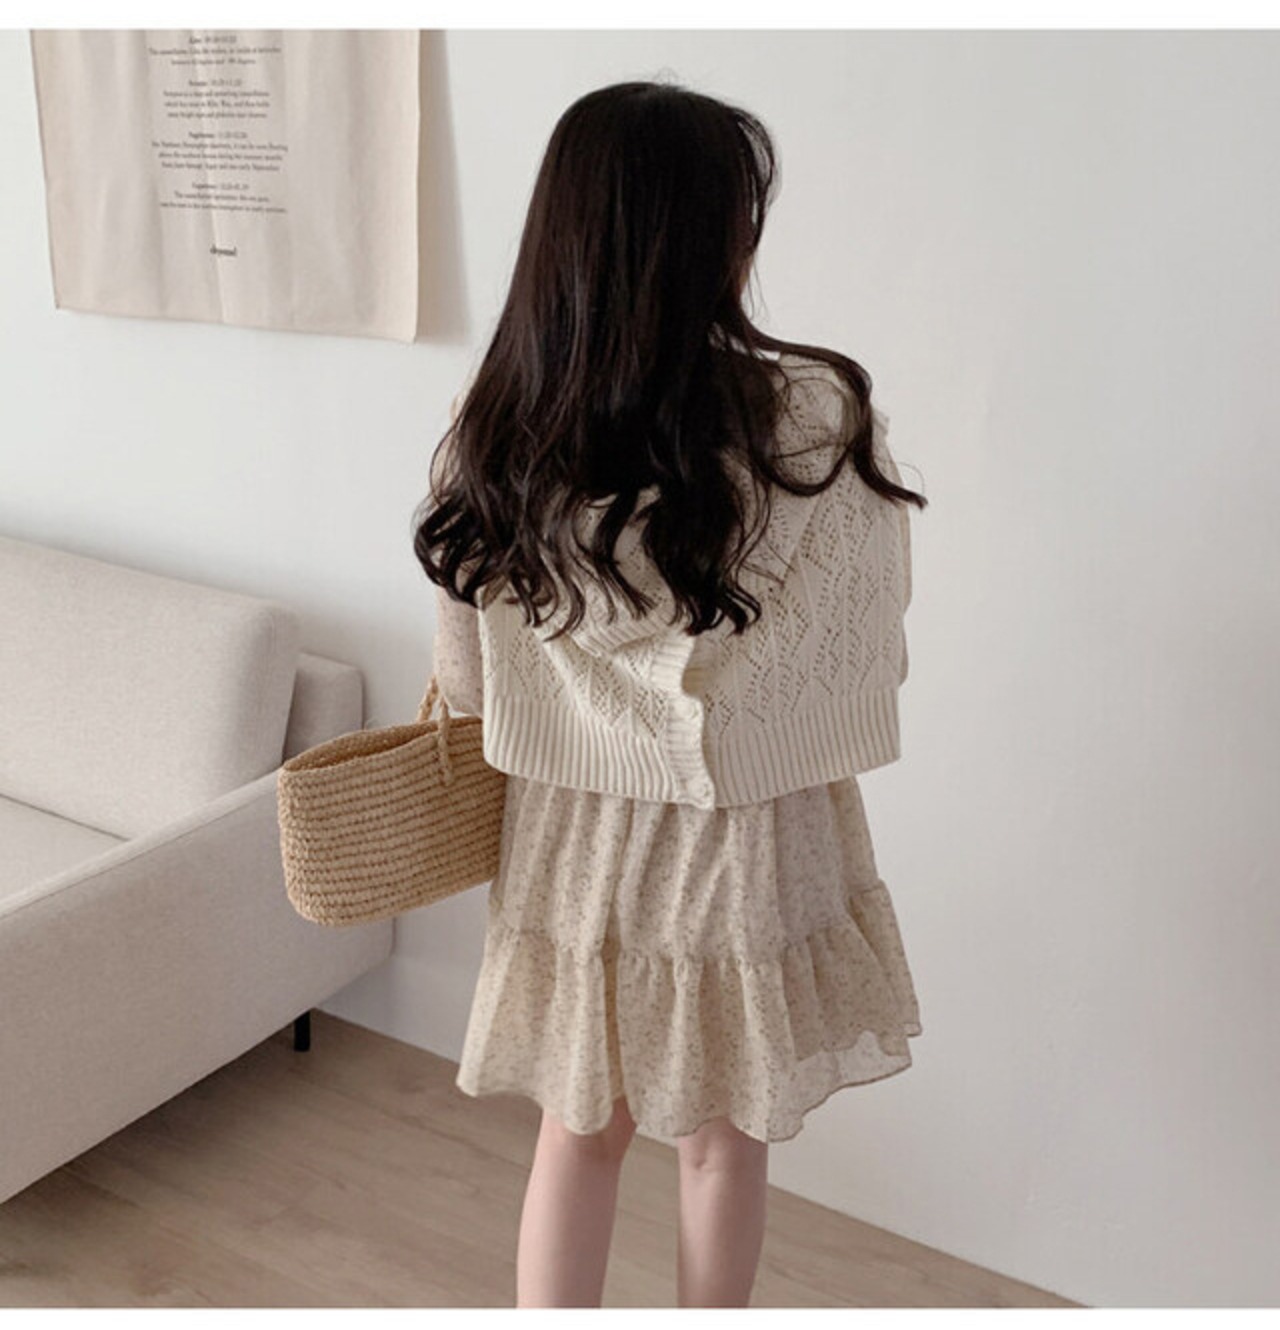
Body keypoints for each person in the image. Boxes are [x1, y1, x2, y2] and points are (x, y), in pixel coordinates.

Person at [412, 77, 927, 1309]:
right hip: (750, 818)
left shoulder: (500, 423)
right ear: (712, 235)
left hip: (572, 825)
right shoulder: (811, 413)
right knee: (720, 1141)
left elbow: (467, 673)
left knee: (576, 1129)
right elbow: (866, 632)